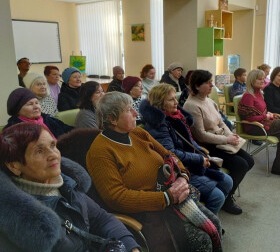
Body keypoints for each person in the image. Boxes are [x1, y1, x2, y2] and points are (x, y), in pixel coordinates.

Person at [86, 92, 222, 252]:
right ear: (112, 119)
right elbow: (116, 197)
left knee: (215, 224)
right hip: (149, 210)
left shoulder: (138, 133)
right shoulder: (100, 151)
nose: (136, 113)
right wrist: (166, 197)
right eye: (129, 110)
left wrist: (183, 177)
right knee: (202, 241)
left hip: (173, 197)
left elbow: (169, 155)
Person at [0, 123, 141, 252]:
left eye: (53, 145)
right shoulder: (14, 218)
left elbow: (100, 218)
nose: (53, 155)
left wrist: (131, 247)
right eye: (39, 151)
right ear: (14, 165)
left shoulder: (66, 184)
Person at [140, 83, 233, 215]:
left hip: (191, 163)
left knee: (228, 182)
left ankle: (210, 214)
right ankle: (207, 225)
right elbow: (170, 154)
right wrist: (199, 158)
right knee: (217, 197)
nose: (176, 102)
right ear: (160, 102)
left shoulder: (176, 116)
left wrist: (201, 155)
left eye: (175, 98)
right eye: (171, 99)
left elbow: (189, 141)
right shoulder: (158, 125)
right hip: (180, 170)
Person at [183, 70, 255, 214]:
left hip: (221, 140)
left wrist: (231, 136)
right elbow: (201, 135)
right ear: (197, 86)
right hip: (207, 147)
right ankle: (227, 200)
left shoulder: (209, 100)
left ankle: (228, 193)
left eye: (211, 82)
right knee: (241, 164)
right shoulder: (191, 105)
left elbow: (221, 122)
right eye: (208, 83)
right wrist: (226, 139)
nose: (212, 85)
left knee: (249, 161)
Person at [5, 88, 73, 138]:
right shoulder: (12, 131)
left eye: (37, 103)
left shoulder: (48, 119)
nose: (36, 107)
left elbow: (69, 130)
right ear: (18, 110)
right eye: (30, 104)